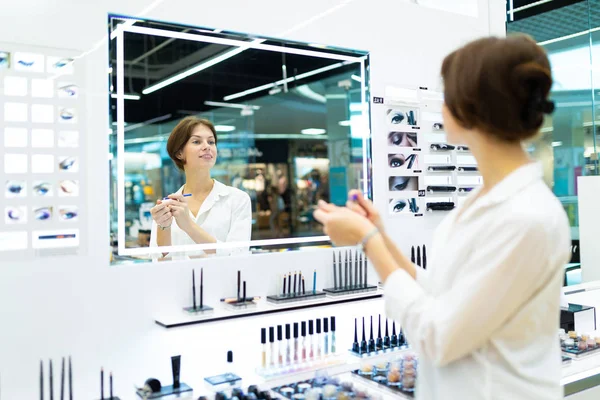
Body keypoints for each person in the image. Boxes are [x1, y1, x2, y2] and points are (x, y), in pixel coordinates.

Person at [314, 36, 570, 400]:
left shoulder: (526, 217)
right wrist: (380, 235)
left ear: (471, 107)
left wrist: (369, 242)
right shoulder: (483, 201)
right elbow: (441, 291)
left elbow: (438, 337)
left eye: (446, 94)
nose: (441, 104)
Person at [149, 116, 251, 257]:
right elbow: (159, 261)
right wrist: (163, 227)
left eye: (211, 141)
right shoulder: (168, 206)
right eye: (197, 141)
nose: (207, 146)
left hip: (224, 279)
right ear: (179, 152)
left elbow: (238, 255)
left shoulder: (237, 199)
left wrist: (189, 226)